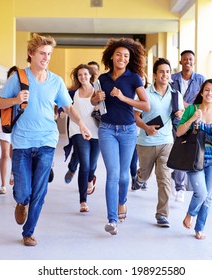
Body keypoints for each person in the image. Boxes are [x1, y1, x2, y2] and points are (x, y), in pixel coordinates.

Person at [0, 33, 91, 246]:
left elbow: (68, 107)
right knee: (23, 190)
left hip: (47, 141)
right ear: (31, 54)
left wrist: (81, 124)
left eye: (49, 54)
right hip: (22, 142)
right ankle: (21, 202)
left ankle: (29, 232)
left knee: (40, 190)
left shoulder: (56, 81)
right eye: (42, 53)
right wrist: (14, 99)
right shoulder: (18, 78)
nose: (46, 58)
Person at [91, 38, 150, 235]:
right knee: (112, 174)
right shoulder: (103, 79)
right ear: (111, 56)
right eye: (118, 54)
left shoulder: (134, 78)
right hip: (107, 129)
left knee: (124, 175)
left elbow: (146, 105)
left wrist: (123, 97)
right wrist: (96, 98)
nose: (122, 58)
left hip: (127, 131)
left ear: (129, 58)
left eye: (126, 56)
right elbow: (94, 100)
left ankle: (122, 202)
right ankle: (112, 219)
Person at [176, 78, 212, 240]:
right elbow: (179, 132)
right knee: (201, 193)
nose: (210, 93)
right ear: (202, 92)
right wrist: (192, 118)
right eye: (207, 90)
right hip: (194, 159)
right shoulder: (192, 110)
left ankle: (199, 228)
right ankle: (190, 214)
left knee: (208, 197)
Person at [133, 58, 174, 227]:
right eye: (161, 72)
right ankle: (139, 177)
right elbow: (134, 116)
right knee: (145, 173)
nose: (165, 75)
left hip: (166, 142)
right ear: (155, 75)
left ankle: (162, 214)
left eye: (167, 72)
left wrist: (179, 114)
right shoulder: (144, 93)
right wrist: (147, 127)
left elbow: (180, 112)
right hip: (145, 142)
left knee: (164, 179)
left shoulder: (175, 94)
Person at [170, 50, 205, 203]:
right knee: (178, 150)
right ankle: (178, 184)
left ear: (194, 62)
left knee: (184, 151)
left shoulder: (200, 79)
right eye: (185, 59)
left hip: (192, 120)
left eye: (190, 59)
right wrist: (177, 108)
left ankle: (179, 186)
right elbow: (168, 97)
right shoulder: (172, 79)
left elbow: (203, 100)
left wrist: (186, 106)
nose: (188, 62)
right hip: (175, 120)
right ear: (180, 62)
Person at [68, 64, 100, 213]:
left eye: (85, 74)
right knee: (85, 165)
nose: (83, 77)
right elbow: (65, 107)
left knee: (92, 166)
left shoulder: (98, 92)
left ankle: (90, 180)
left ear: (90, 75)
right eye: (80, 75)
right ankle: (83, 201)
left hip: (96, 132)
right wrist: (61, 112)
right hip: (78, 131)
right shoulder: (73, 92)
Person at [0, 66, 17, 195]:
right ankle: (3, 184)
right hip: (4, 124)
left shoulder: (23, 92)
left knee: (16, 153)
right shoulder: (2, 92)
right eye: (11, 76)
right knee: (5, 154)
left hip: (18, 125)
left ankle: (13, 174)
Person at [130, 72, 149, 190]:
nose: (141, 80)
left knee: (144, 160)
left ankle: (142, 179)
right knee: (133, 160)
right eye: (139, 78)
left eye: (143, 78)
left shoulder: (149, 95)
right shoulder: (130, 94)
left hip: (145, 133)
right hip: (132, 132)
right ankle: (134, 178)